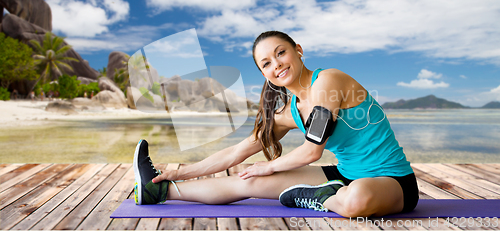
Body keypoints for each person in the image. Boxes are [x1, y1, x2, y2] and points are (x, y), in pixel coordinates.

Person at [133, 31, 419, 218]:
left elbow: (311, 151)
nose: (277, 65)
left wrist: (269, 165)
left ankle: (319, 197)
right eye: (266, 63)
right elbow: (237, 152)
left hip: (392, 181)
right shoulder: (287, 113)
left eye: (281, 53)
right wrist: (180, 172)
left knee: (357, 201)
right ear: (264, 74)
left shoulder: (329, 81)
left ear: (298, 50)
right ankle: (158, 191)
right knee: (249, 181)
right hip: (343, 175)